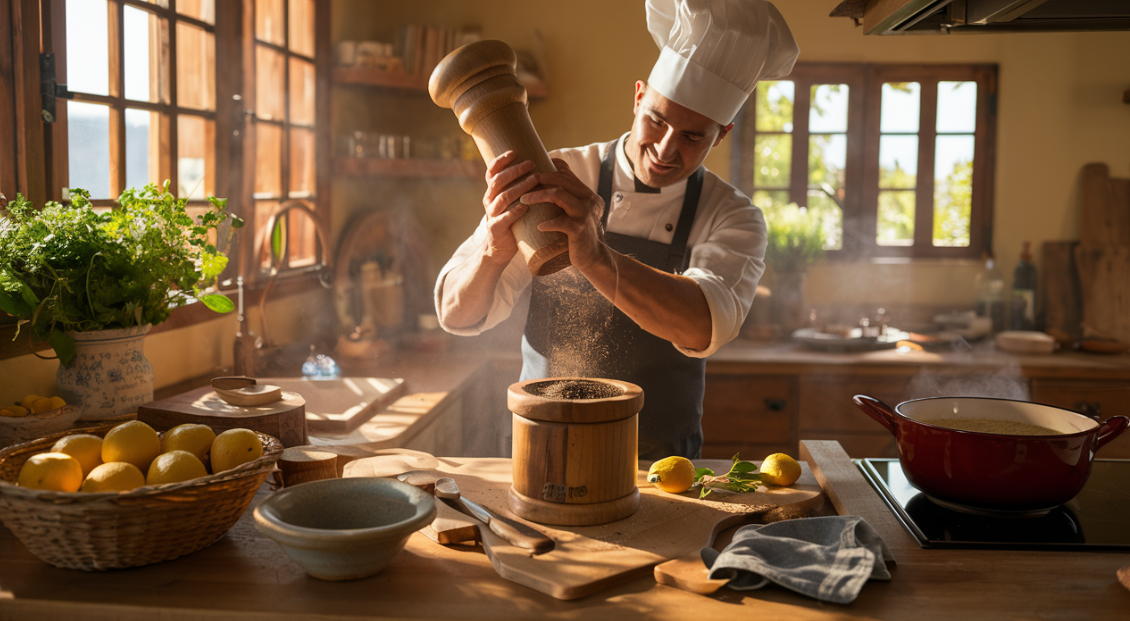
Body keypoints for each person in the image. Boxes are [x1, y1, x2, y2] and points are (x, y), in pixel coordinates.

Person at [434, 0, 799, 459]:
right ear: (638, 96)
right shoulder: (563, 174)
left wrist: (595, 256)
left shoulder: (733, 215)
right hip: (545, 443)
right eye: (657, 120)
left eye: (692, 136)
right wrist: (493, 248)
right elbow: (456, 315)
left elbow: (702, 324)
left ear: (721, 134)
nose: (666, 149)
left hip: (658, 461)